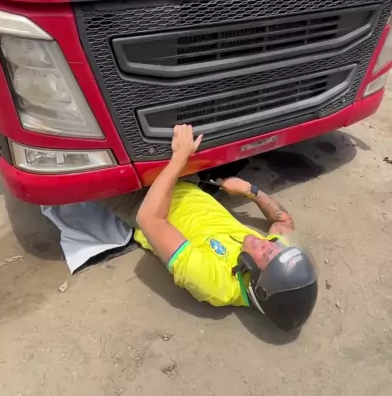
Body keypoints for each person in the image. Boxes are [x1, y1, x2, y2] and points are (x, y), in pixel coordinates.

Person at [107, 124, 318, 331]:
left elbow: (150, 219)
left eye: (269, 255)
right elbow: (283, 222)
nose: (270, 244)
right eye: (279, 249)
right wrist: (250, 191)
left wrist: (179, 157)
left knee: (112, 137)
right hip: (185, 179)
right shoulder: (267, 251)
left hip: (138, 197)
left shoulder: (215, 282)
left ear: (259, 284)